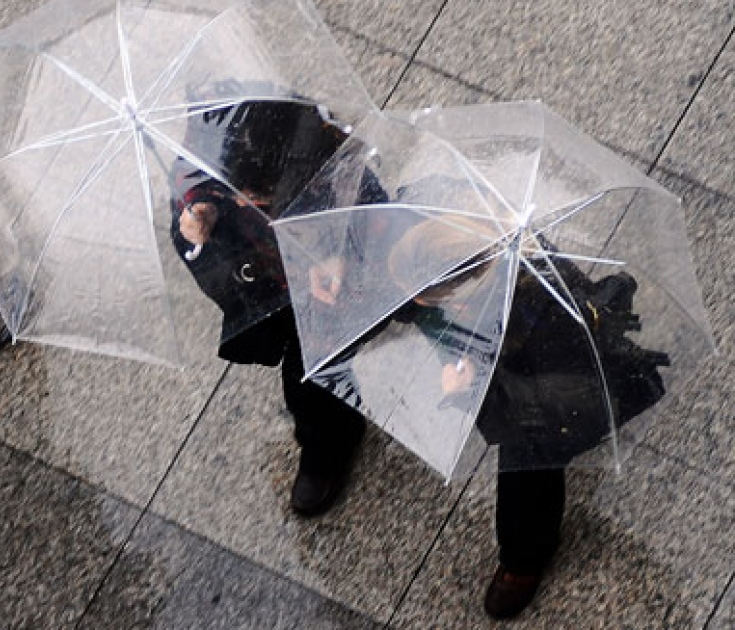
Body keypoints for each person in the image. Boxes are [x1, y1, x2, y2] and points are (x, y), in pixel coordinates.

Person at [384, 215, 667, 619]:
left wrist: (466, 394)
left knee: (528, 470)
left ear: (460, 295)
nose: (415, 306)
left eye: (425, 299)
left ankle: (523, 560)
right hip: (511, 357)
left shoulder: (541, 318)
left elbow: (518, 415)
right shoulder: (476, 253)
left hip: (558, 396)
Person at [170, 96, 383, 517]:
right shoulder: (209, 173)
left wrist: (339, 254)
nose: (248, 202)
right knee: (304, 375)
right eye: (241, 193)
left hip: (331, 298)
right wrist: (199, 231)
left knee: (319, 368)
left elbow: (382, 229)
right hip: (271, 295)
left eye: (259, 197)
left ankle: (331, 438)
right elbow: (205, 250)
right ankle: (326, 439)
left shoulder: (341, 177)